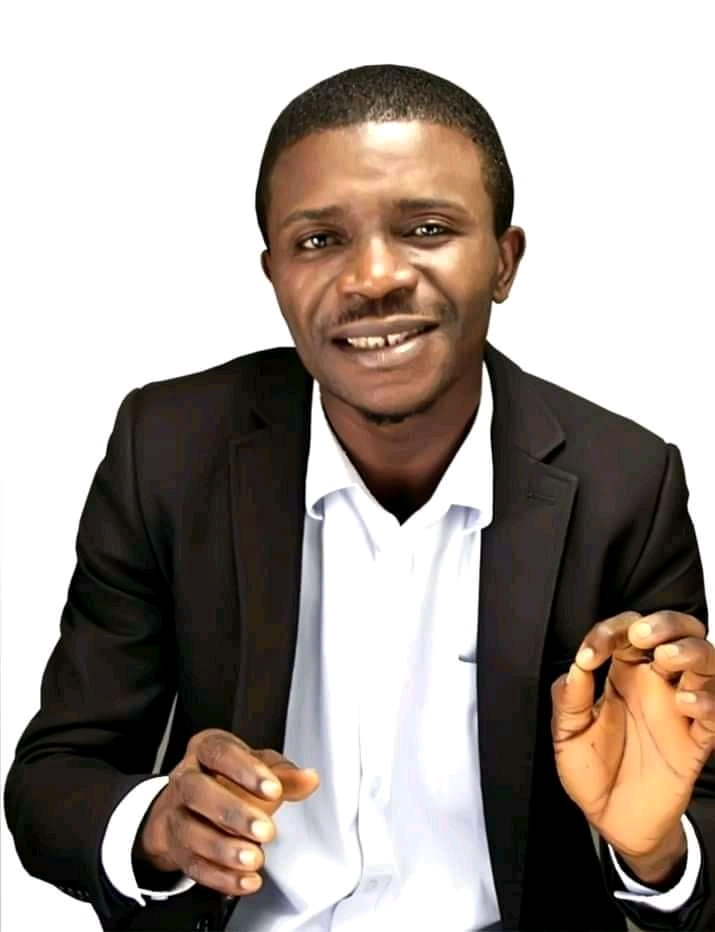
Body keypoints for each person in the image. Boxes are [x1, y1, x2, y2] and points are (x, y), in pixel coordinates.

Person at [4, 63, 715, 932]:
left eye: (426, 228)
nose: (373, 276)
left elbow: (691, 801)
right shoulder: (168, 449)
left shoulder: (625, 484)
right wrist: (156, 827)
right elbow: (56, 777)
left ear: (503, 260)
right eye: (317, 240)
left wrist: (653, 851)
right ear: (273, 274)